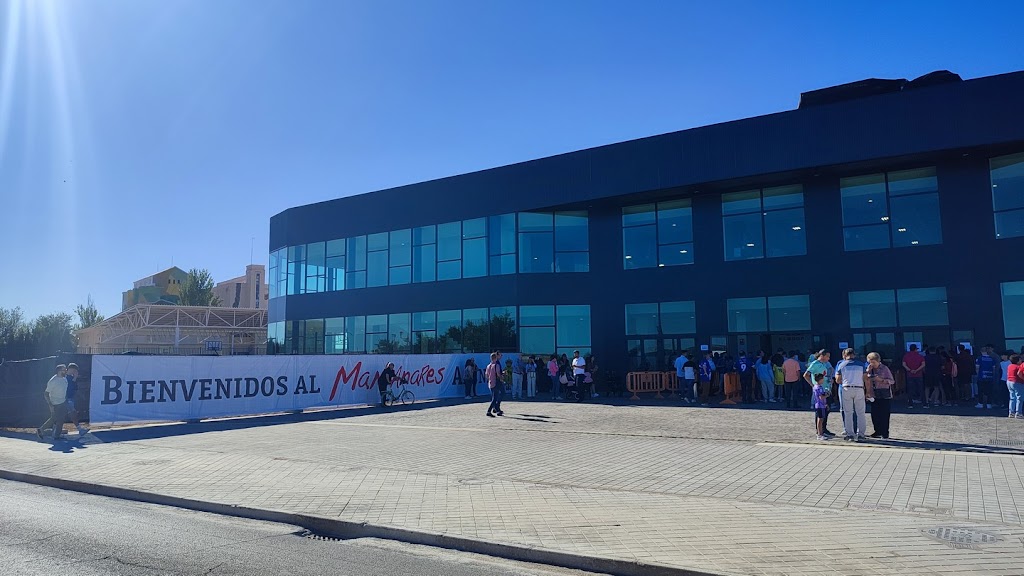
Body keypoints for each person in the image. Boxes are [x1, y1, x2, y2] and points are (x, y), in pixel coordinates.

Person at [835, 348, 867, 442]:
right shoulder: (861, 364)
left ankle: (850, 434)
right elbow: (865, 378)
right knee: (860, 413)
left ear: (845, 354)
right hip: (859, 388)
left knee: (848, 412)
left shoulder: (841, 364)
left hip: (846, 388)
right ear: (854, 354)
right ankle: (861, 434)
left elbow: (837, 380)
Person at [804, 350, 835, 437]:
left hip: (826, 388)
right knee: (820, 411)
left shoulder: (825, 364)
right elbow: (806, 375)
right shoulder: (815, 364)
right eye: (827, 356)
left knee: (826, 409)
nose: (829, 358)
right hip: (820, 390)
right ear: (822, 355)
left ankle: (824, 428)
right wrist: (812, 385)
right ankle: (819, 430)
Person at [865, 352, 895, 439]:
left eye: (873, 362)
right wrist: (868, 372)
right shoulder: (869, 369)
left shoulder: (884, 369)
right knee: (875, 414)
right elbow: (865, 379)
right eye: (870, 362)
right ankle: (877, 431)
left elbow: (892, 381)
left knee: (884, 414)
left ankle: (885, 432)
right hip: (874, 394)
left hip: (884, 393)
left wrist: (881, 380)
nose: (872, 364)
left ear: (878, 361)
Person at [36, 365, 69, 441]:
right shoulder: (53, 381)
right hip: (55, 403)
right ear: (59, 371)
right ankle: (54, 434)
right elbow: (46, 393)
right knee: (58, 419)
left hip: (63, 402)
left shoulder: (64, 379)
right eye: (64, 370)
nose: (66, 371)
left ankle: (47, 431)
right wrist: (50, 404)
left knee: (56, 418)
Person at [65, 363, 88, 435]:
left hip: (70, 398)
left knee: (70, 414)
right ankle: (80, 429)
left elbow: (75, 388)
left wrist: (75, 378)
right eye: (74, 370)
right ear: (71, 369)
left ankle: (55, 429)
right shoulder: (65, 377)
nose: (75, 372)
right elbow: (68, 387)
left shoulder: (72, 378)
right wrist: (74, 378)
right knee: (72, 414)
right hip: (66, 399)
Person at [485, 352, 504, 417]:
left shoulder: (488, 366)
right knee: (495, 398)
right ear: (495, 358)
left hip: (490, 383)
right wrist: (502, 376)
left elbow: (486, 375)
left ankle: (497, 410)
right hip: (496, 382)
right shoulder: (496, 365)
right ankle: (489, 411)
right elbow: (498, 374)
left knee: (494, 397)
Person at [813, 372, 829, 441]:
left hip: (820, 405)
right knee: (820, 419)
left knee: (821, 419)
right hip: (820, 405)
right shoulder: (819, 387)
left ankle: (820, 433)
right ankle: (820, 434)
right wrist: (827, 395)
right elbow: (821, 397)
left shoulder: (816, 386)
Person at [1007, 355, 1023, 419]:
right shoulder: (1018, 367)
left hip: (1009, 381)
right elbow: (1019, 374)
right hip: (1017, 382)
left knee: (1012, 397)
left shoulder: (1009, 366)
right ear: (1017, 360)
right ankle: (1018, 412)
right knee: (1019, 398)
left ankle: (1011, 412)